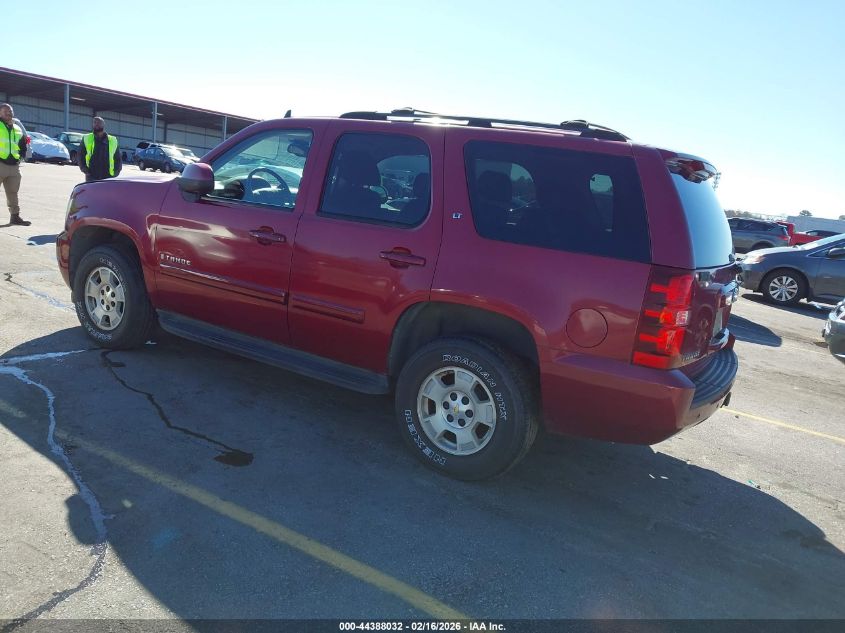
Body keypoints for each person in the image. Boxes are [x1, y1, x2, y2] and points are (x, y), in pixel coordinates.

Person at [0, 103, 30, 226]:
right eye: (6, 111)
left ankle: (15, 217)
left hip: (14, 166)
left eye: (10, 111)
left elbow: (23, 145)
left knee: (13, 192)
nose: (9, 113)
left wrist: (20, 158)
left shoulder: (17, 128)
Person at [78, 117, 122, 182]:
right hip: (91, 176)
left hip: (108, 177)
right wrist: (85, 170)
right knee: (92, 192)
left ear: (103, 124)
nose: (96, 124)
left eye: (99, 122)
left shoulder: (113, 140)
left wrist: (116, 172)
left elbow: (118, 158)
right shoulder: (86, 138)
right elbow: (80, 156)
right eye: (94, 122)